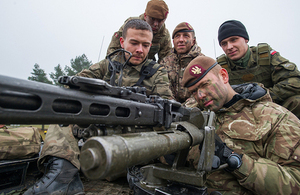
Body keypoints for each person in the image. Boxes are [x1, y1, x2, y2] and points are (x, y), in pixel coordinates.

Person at [24, 19, 172, 195]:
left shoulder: (157, 72)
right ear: (122, 42)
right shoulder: (107, 65)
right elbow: (77, 82)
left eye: (146, 45)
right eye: (134, 43)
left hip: (136, 136)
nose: (140, 50)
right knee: (63, 115)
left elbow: (165, 106)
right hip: (103, 124)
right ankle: (62, 176)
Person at [181, 55, 300, 194]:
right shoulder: (194, 116)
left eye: (205, 85)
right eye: (194, 91)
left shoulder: (273, 117)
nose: (200, 95)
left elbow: (295, 182)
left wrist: (233, 160)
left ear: (224, 76)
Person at [217, 19, 300, 118]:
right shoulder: (220, 67)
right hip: (241, 114)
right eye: (224, 43)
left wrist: (265, 95)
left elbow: (294, 81)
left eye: (234, 40)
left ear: (245, 39)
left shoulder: (265, 56)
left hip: (273, 106)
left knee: (297, 101)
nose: (229, 47)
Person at [106, 0, 172, 63]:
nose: (155, 24)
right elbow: (112, 51)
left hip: (146, 69)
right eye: (152, 19)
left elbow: (166, 60)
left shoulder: (164, 35)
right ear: (146, 16)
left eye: (160, 21)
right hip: (124, 64)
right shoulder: (130, 26)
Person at [160, 22, 204, 104]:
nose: (181, 40)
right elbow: (163, 88)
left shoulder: (203, 62)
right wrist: (172, 107)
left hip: (197, 109)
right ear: (173, 42)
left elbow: (204, 91)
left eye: (186, 36)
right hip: (171, 109)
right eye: (177, 36)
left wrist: (184, 108)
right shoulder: (165, 63)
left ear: (193, 41)